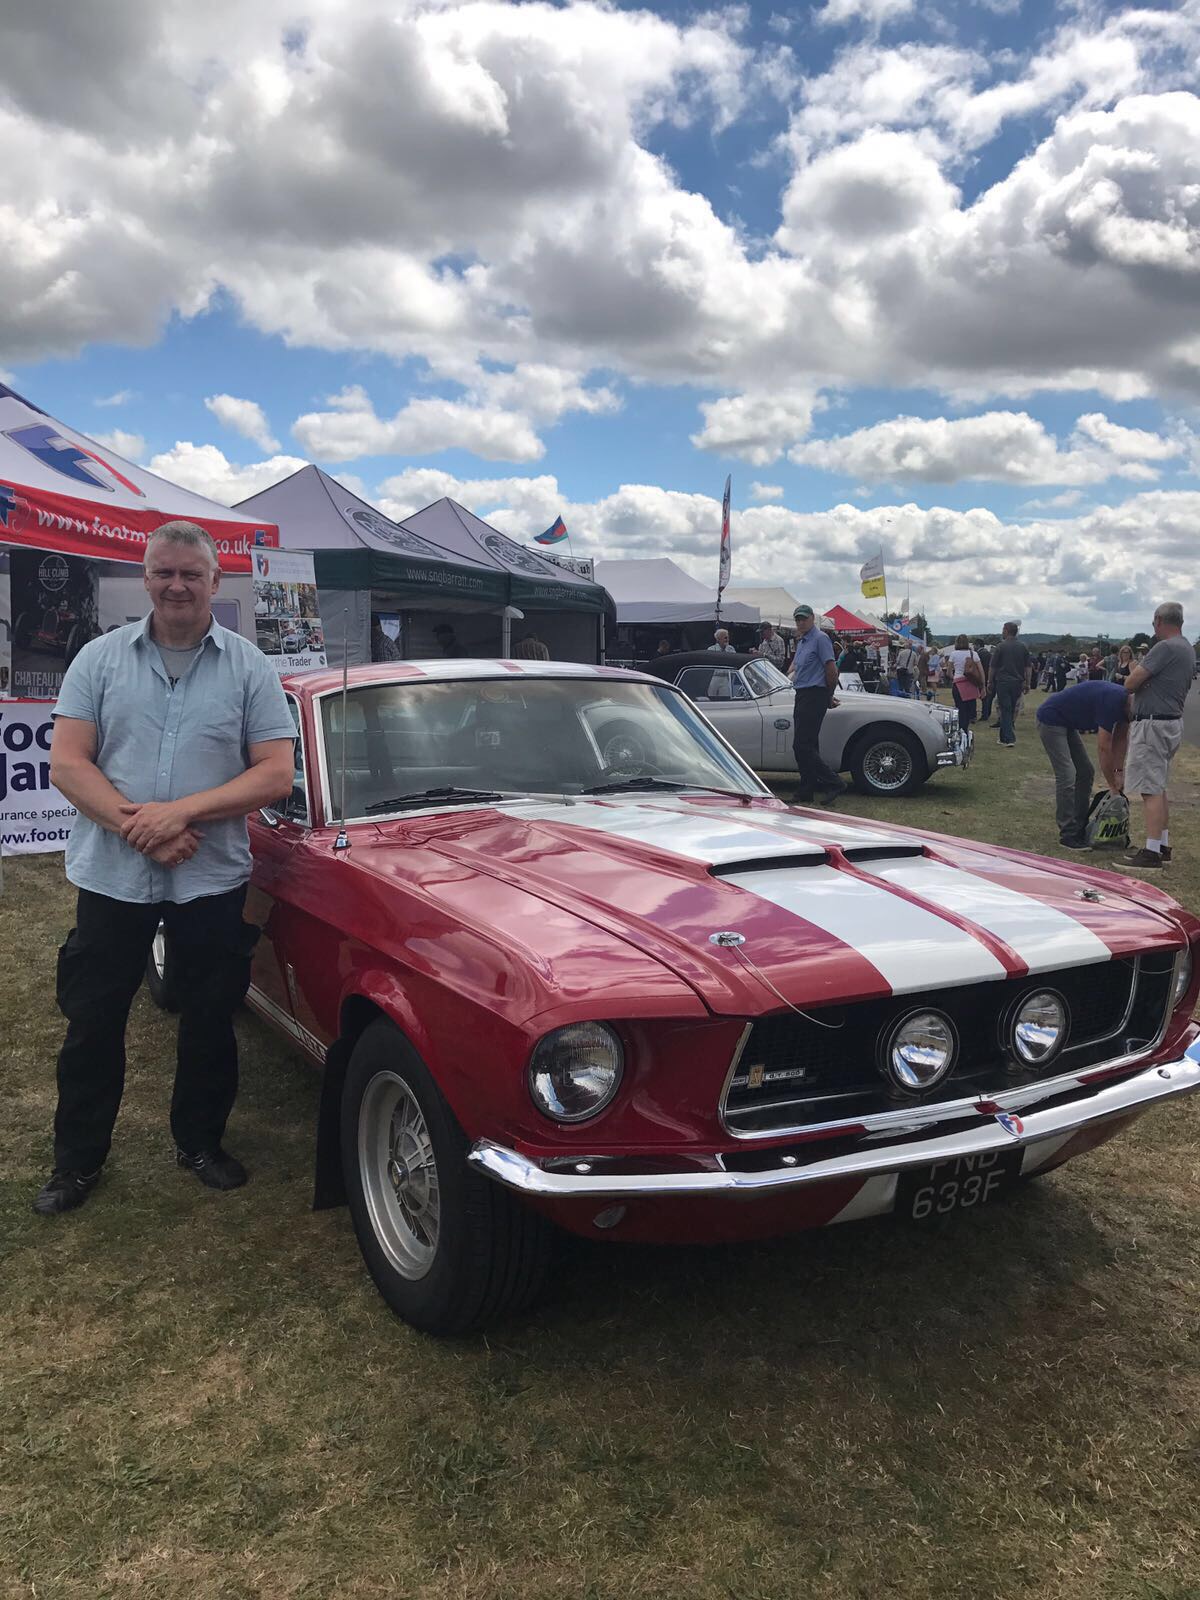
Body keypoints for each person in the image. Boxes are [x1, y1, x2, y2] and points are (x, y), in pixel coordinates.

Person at [33, 522, 296, 1216]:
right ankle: (77, 1162)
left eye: (191, 574)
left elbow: (274, 774)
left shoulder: (250, 668)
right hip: (112, 878)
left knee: (210, 1017)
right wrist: (140, 827)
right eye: (164, 573)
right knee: (93, 1021)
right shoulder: (98, 659)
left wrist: (180, 813)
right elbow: (67, 763)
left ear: (216, 582)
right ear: (146, 578)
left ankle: (201, 1143)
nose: (177, 585)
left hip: (210, 879)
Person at [1120, 602, 1193, 869]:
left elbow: (1130, 682)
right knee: (1159, 786)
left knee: (1149, 789)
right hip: (1172, 722)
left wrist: (1139, 674)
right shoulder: (1186, 648)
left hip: (1152, 724)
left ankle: (1151, 852)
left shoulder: (1164, 648)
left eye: (1154, 622)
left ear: (1159, 620)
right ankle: (1162, 843)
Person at [1035, 680, 1130, 849]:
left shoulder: (1128, 707)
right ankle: (1068, 834)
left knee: (1086, 771)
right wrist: (1112, 786)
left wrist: (1119, 772)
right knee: (1067, 775)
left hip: (1068, 723)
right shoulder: (1113, 701)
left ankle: (1079, 825)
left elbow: (1121, 739)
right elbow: (1103, 747)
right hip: (1051, 718)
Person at [789, 604, 845, 803]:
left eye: (804, 618)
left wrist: (828, 695)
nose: (801, 622)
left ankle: (834, 781)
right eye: (798, 619)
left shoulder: (820, 639)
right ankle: (807, 788)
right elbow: (795, 667)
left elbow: (831, 670)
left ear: (813, 618)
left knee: (801, 745)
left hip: (815, 694)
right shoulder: (802, 640)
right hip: (803, 693)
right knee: (810, 744)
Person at [987, 621, 1030, 747]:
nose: (1002, 632)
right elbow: (1028, 667)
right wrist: (1027, 682)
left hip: (1003, 682)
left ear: (1006, 631)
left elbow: (993, 666)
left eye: (1003, 629)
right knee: (1010, 709)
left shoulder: (1000, 646)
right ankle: (1003, 736)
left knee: (1005, 709)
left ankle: (1009, 739)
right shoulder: (1023, 647)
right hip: (1018, 682)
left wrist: (990, 681)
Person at [949, 633, 984, 734]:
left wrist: (954, 677)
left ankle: (961, 730)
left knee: (960, 708)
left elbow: (949, 672)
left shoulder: (953, 654)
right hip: (971, 684)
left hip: (958, 683)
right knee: (969, 709)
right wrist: (982, 685)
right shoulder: (974, 654)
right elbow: (981, 670)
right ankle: (966, 728)